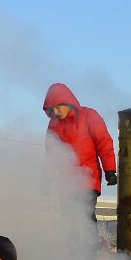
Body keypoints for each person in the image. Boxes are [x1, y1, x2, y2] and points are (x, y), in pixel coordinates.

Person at [42, 83, 117, 219]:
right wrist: (47, 178)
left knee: (85, 216)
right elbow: (51, 155)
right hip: (65, 183)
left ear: (66, 102)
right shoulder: (53, 125)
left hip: (87, 179)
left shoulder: (89, 116)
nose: (56, 112)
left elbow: (104, 142)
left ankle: (89, 234)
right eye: (52, 110)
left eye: (57, 108)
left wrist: (110, 170)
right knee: (69, 219)